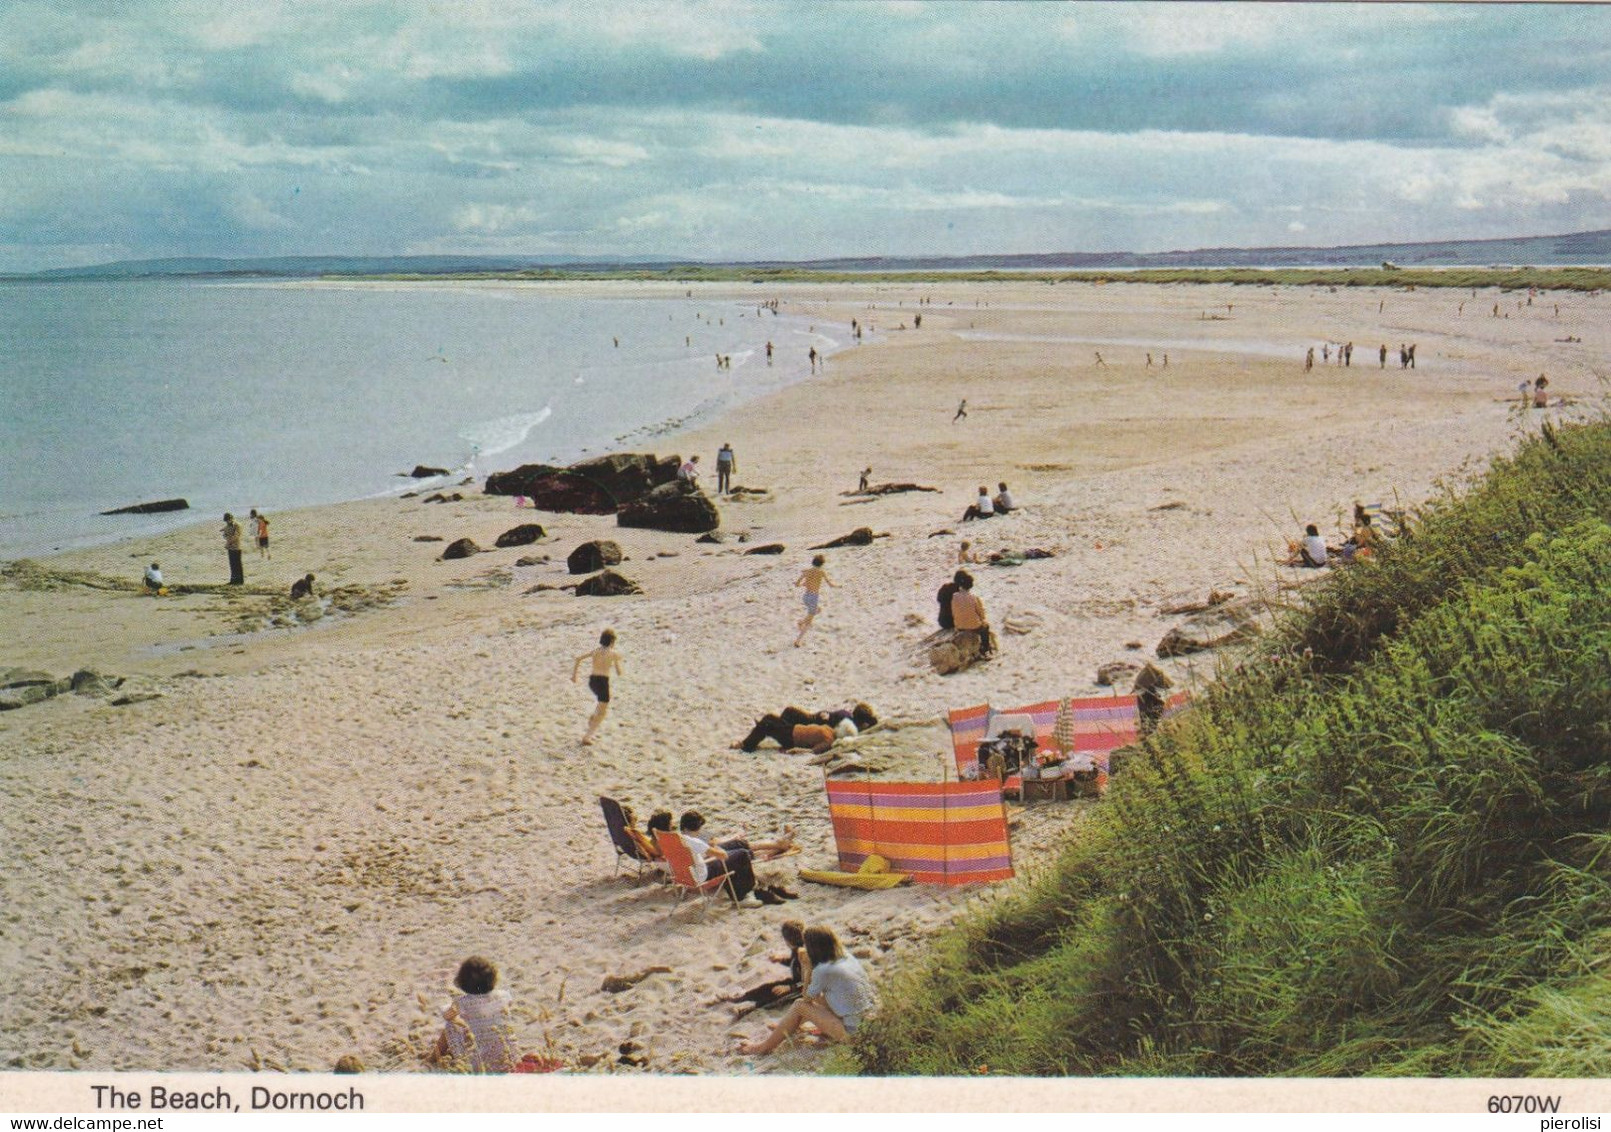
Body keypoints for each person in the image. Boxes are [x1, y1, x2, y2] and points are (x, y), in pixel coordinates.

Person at [738, 926, 877, 1055]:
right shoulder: (845, 956)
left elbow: (806, 997)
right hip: (869, 1023)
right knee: (822, 997)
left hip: (854, 1035)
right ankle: (789, 1025)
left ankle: (763, 1047)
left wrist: (806, 966)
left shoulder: (823, 970)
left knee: (800, 1006)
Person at [429, 956, 517, 1074]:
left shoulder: (462, 1003)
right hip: (509, 1059)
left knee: (451, 1025)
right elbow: (507, 1006)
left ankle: (434, 1057)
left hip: (478, 1065)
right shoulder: (503, 996)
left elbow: (447, 1016)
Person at [723, 920, 809, 1016]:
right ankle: (742, 998)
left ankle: (751, 1008)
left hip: (801, 989)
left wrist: (790, 988)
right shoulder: (798, 950)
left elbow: (810, 981)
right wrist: (781, 960)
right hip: (796, 982)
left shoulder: (804, 955)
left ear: (787, 941)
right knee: (767, 988)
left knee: (775, 995)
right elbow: (795, 964)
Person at [678, 811, 763, 906]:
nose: (700, 832)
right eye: (699, 829)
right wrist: (714, 847)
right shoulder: (695, 842)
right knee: (742, 854)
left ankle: (747, 870)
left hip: (692, 869)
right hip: (703, 872)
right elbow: (723, 855)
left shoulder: (676, 838)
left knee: (738, 844)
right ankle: (741, 897)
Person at [571, 628, 623, 746]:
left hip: (592, 681)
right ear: (612, 641)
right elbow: (619, 671)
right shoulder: (613, 653)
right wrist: (617, 664)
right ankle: (587, 736)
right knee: (602, 712)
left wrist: (574, 676)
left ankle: (593, 719)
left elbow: (578, 659)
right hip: (603, 682)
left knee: (600, 707)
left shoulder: (595, 651)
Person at [950, 571, 995, 658]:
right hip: (974, 626)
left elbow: (954, 611)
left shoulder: (954, 596)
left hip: (959, 626)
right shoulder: (973, 598)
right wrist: (982, 620)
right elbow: (981, 614)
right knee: (985, 629)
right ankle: (985, 649)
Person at [794, 554, 836, 647]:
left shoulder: (806, 572)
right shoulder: (821, 572)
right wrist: (838, 586)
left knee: (817, 610)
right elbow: (830, 584)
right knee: (809, 621)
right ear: (822, 564)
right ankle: (798, 641)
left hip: (805, 597)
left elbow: (797, 584)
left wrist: (803, 584)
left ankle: (801, 622)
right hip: (813, 598)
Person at [222, 513, 244, 585]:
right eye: (226, 520)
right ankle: (233, 581)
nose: (227, 522)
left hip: (236, 547)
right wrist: (226, 538)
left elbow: (237, 535)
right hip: (230, 547)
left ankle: (240, 581)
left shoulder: (237, 525)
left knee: (238, 565)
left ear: (231, 518)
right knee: (232, 564)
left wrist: (228, 542)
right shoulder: (226, 526)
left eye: (228, 520)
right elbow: (224, 535)